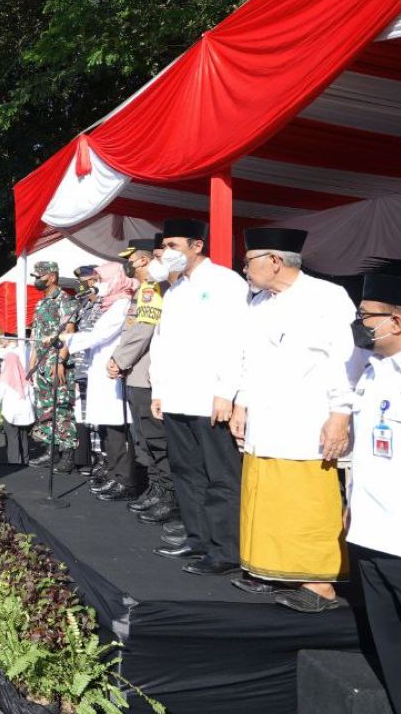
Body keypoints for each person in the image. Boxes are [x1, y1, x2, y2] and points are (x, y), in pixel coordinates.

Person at [229, 228, 361, 611]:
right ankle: (277, 571)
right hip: (267, 420)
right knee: (269, 498)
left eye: (249, 261)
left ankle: (320, 585)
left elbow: (344, 360)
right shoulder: (260, 303)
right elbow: (251, 359)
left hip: (308, 419)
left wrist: (340, 414)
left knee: (307, 502)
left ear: (274, 261)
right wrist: (242, 403)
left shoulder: (326, 297)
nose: (245, 269)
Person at [149, 218, 249, 575]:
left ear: (196, 246)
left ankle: (225, 549)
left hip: (211, 397)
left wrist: (226, 392)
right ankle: (198, 538)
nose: (167, 253)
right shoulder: (174, 291)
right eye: (165, 247)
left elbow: (235, 340)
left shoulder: (225, 282)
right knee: (186, 471)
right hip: (177, 396)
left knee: (219, 475)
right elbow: (162, 344)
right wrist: (159, 389)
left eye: (174, 246)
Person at [346, 273, 401, 714]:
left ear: (398, 322)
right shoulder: (371, 369)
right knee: (389, 643)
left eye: (367, 316)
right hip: (369, 530)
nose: (360, 323)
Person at [110, 239, 176, 521]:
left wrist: (120, 359)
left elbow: (143, 330)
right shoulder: (144, 289)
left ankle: (167, 494)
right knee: (144, 440)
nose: (130, 265)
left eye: (133, 259)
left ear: (146, 261)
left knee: (154, 439)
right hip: (136, 372)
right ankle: (155, 487)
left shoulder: (151, 289)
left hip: (145, 373)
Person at [64, 262, 137, 498]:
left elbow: (100, 335)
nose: (99, 285)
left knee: (116, 429)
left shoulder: (122, 304)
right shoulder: (109, 304)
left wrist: (67, 339)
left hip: (112, 374)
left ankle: (123, 479)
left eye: (102, 280)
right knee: (106, 429)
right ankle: (113, 473)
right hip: (100, 372)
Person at [28, 260, 78, 468]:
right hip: (41, 361)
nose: (37, 280)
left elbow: (69, 331)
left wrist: (61, 360)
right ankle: (51, 451)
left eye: (39, 276)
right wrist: (31, 362)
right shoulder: (41, 303)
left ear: (52, 276)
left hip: (56, 361)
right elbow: (35, 335)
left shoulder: (65, 300)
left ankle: (67, 454)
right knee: (45, 409)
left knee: (62, 407)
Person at [70, 266, 104, 474]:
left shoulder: (102, 306)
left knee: (99, 417)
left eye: (84, 280)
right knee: (86, 414)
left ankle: (102, 459)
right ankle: (91, 458)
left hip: (95, 369)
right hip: (81, 368)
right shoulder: (82, 306)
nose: (81, 285)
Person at [0, 338, 34, 464]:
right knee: (24, 437)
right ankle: (25, 459)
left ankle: (14, 462)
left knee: (12, 438)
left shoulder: (4, 379)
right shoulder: (26, 379)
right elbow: (32, 397)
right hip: (25, 414)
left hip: (10, 414)